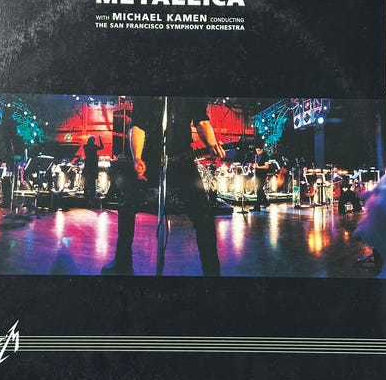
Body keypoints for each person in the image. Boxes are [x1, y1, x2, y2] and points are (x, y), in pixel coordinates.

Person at [101, 96, 225, 276]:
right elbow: (138, 126)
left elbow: (202, 121)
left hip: (182, 159)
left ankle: (212, 271)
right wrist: (137, 158)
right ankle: (123, 263)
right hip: (151, 158)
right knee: (127, 207)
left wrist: (211, 143)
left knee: (203, 214)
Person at [82, 135, 104, 201]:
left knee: (87, 180)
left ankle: (86, 193)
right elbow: (102, 147)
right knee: (92, 180)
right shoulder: (94, 146)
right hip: (93, 165)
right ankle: (92, 194)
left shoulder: (85, 146)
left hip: (87, 165)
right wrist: (100, 139)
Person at [250, 144, 270, 211]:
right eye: (256, 151)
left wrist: (258, 167)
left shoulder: (265, 156)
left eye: (258, 150)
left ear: (262, 150)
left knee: (259, 190)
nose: (257, 152)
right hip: (257, 174)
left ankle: (257, 206)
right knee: (260, 190)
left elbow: (267, 166)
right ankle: (265, 201)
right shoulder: (257, 156)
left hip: (262, 175)